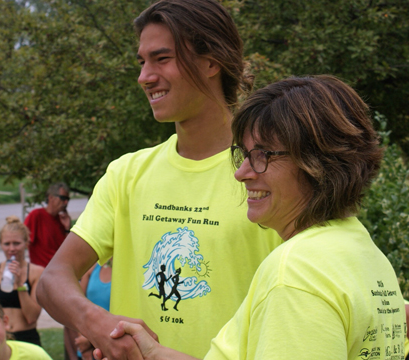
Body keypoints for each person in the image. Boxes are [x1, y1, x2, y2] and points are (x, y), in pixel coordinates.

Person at [36, 0, 281, 358]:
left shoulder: (271, 173)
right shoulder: (126, 174)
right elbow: (53, 279)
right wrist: (98, 323)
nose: (144, 76)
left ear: (211, 61)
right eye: (142, 61)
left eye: (162, 59)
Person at [110, 75, 407, 360]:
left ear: (317, 161)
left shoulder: (295, 273)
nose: (241, 173)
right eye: (244, 154)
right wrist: (153, 354)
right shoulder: (366, 254)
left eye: (263, 155)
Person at [0, 216, 44, 345]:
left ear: (26, 244)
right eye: (7, 244)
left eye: (16, 243)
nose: (11, 249)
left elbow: (32, 317)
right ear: (1, 245)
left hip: (26, 337)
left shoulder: (37, 273)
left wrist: (20, 285)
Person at [24, 182, 71, 268]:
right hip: (41, 272)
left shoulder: (62, 221)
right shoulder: (36, 216)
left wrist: (67, 229)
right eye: (63, 198)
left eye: (68, 199)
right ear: (51, 197)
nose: (66, 202)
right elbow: (22, 242)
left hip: (60, 271)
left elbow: (68, 251)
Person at [74, 259, 113, 360]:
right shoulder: (93, 267)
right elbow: (78, 308)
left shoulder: (127, 271)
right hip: (86, 345)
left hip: (110, 346)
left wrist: (90, 341)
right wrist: (84, 347)